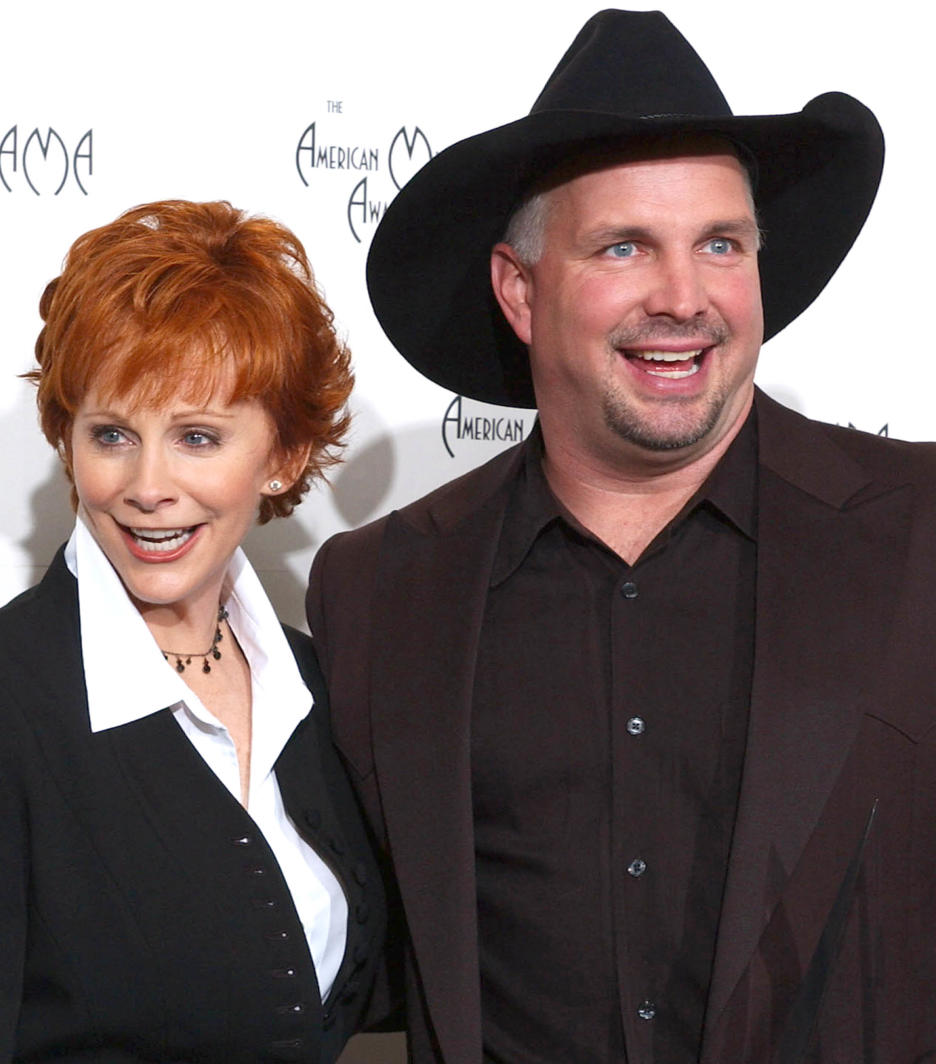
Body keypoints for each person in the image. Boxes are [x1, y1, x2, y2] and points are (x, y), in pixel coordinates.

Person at [306, 10, 936, 1064]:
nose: (683, 298)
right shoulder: (377, 589)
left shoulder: (921, 530)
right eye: (625, 245)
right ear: (520, 288)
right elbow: (330, 945)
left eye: (720, 244)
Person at [0, 200, 385, 1063]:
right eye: (113, 434)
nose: (146, 484)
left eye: (198, 436)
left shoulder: (319, 685)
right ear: (67, 441)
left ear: (283, 455)